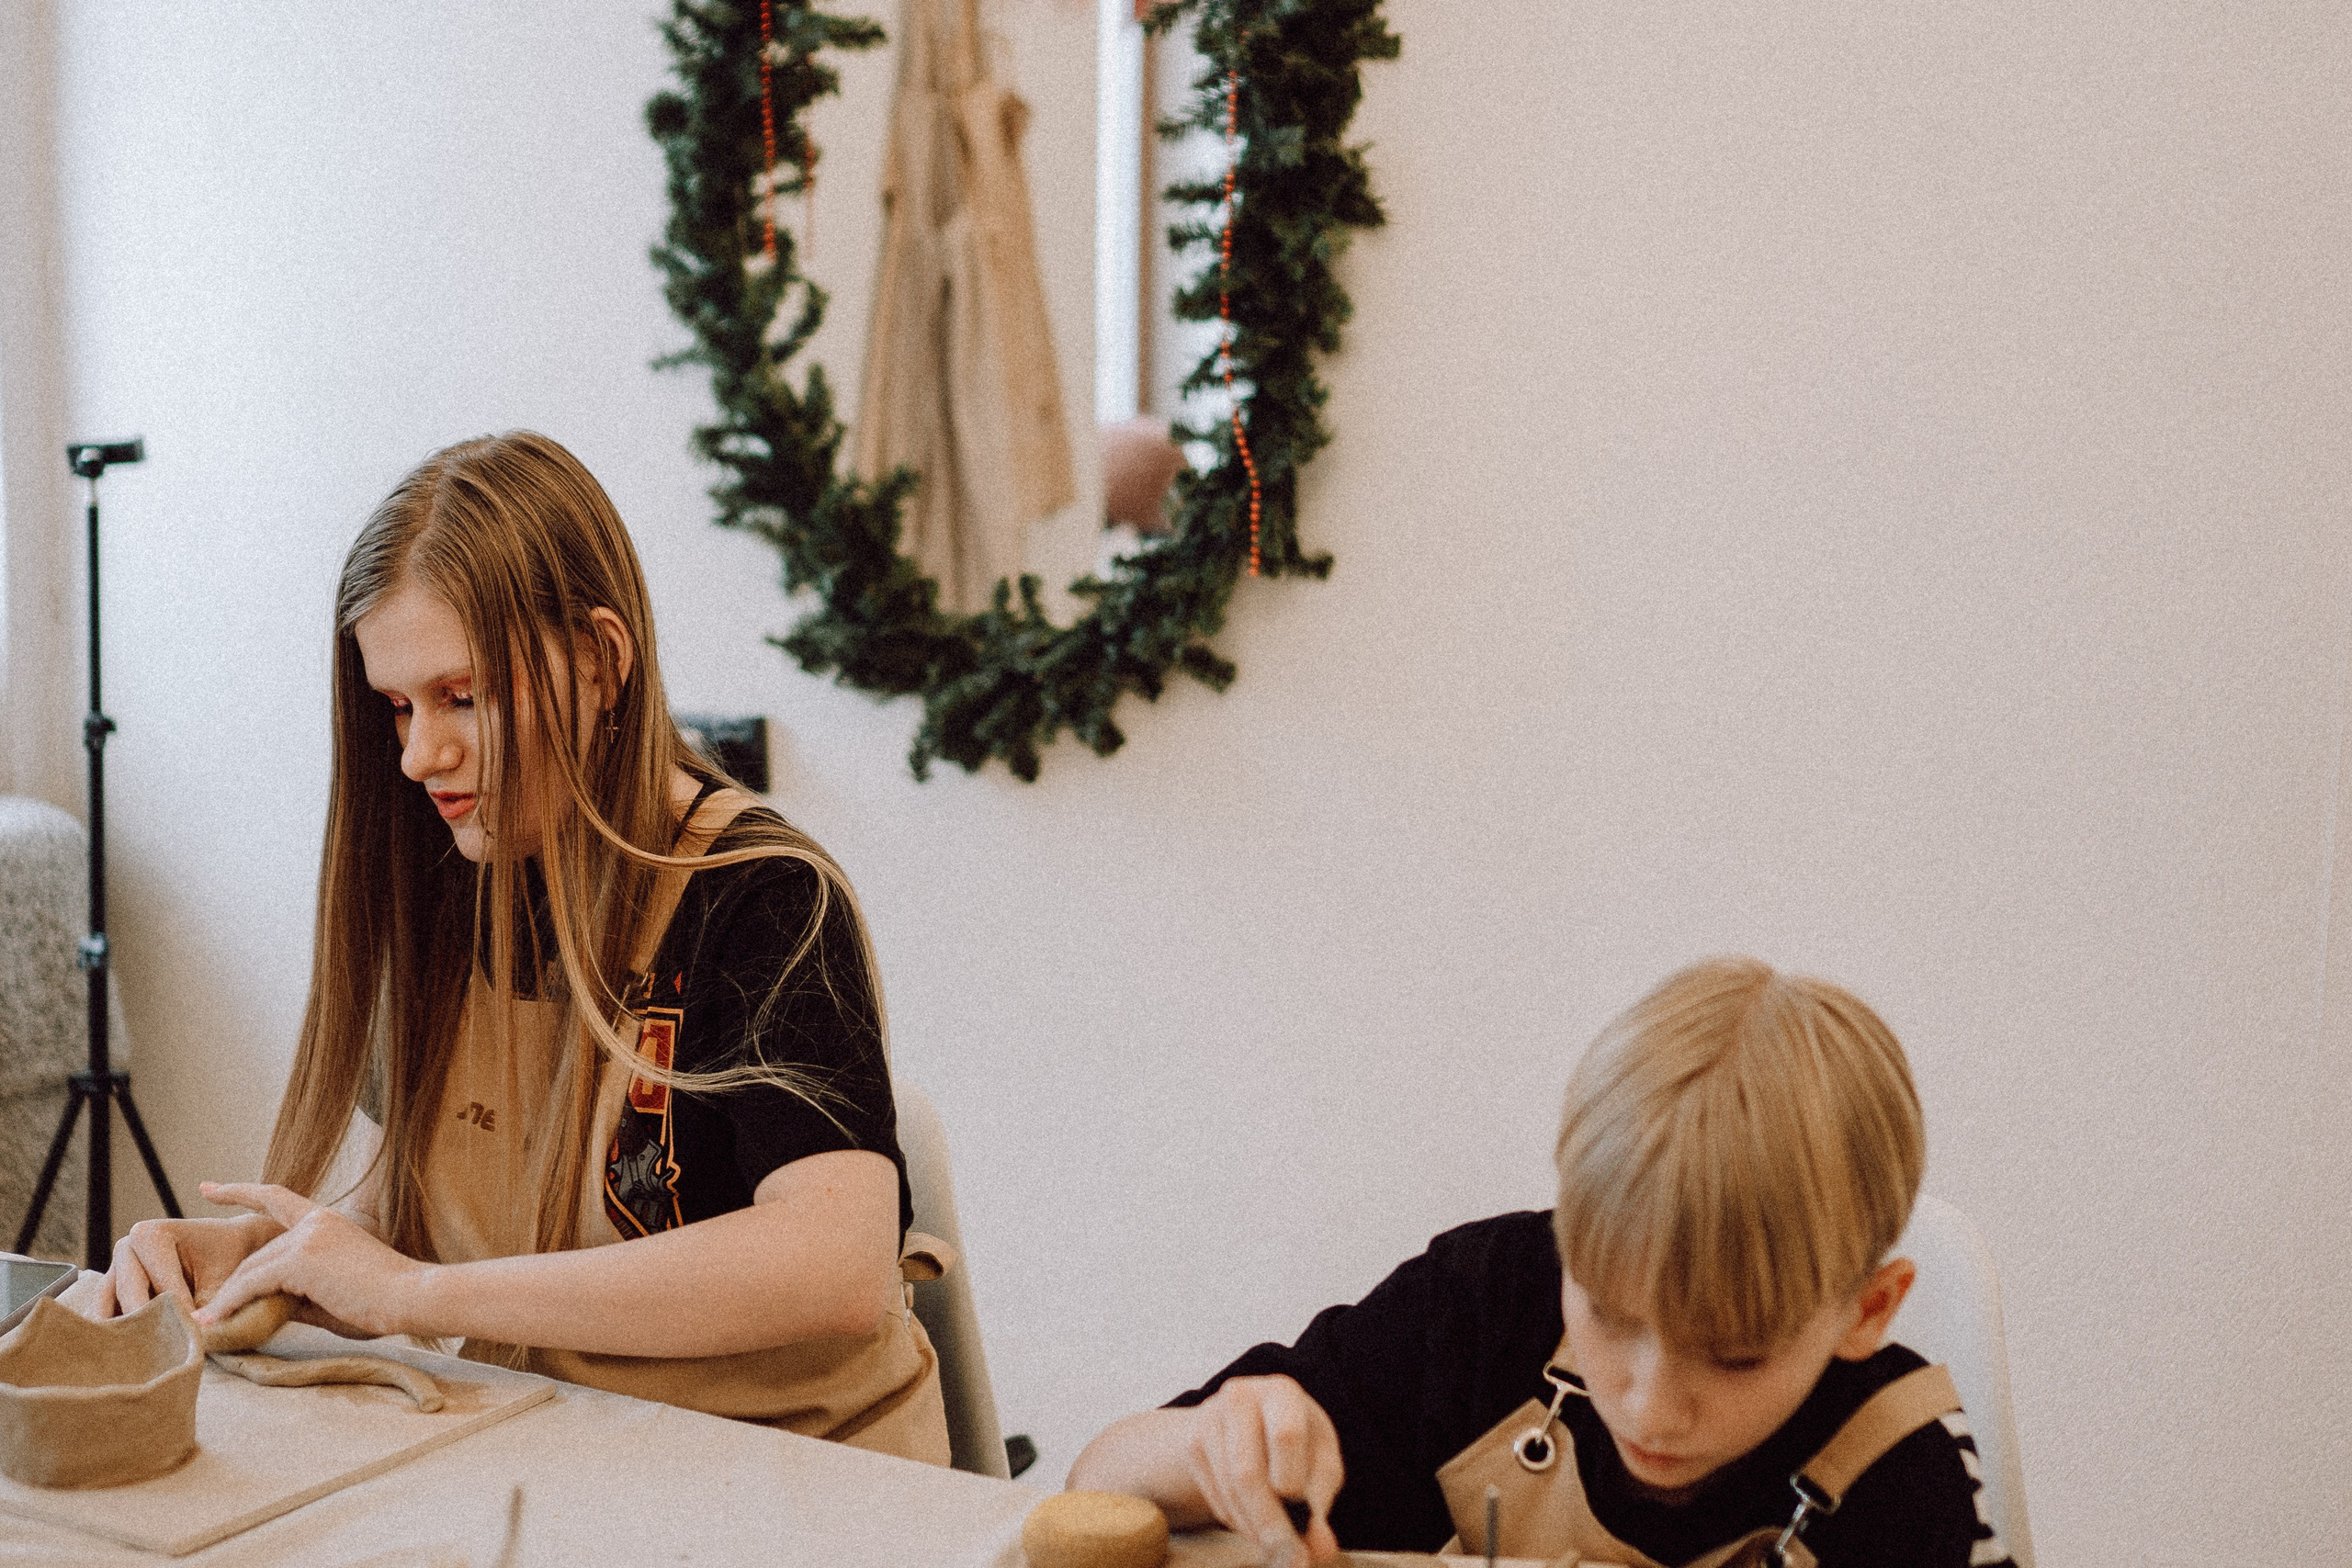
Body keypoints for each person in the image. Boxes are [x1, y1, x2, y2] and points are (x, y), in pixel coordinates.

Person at [95, 431, 950, 1463]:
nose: (419, 755)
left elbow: (836, 1266)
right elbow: (433, 1196)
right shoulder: (447, 880)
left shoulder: (764, 898)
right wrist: (270, 1258)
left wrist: (412, 1295)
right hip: (571, 1457)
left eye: (464, 696)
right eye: (399, 707)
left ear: (599, 660)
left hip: (800, 1479)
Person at [1067, 958, 2017, 1566]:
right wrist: (1207, 1449)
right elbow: (1098, 1485)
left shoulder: (1904, 1474)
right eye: (1606, 1315)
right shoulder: (1480, 1312)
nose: (1647, 1404)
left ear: (1867, 1309)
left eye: (1732, 1357)